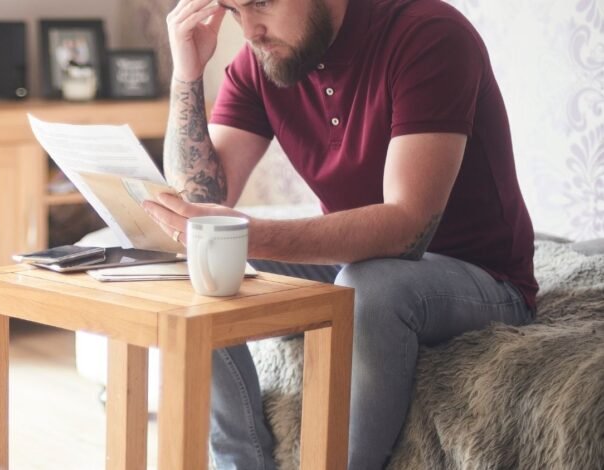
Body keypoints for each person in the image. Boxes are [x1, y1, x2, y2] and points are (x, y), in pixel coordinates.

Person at [143, 0, 539, 468]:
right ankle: (239, 460)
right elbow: (204, 191)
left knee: (368, 287)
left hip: (479, 276)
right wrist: (186, 74)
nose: (249, 29)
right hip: (354, 261)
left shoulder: (430, 34)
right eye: (234, 10)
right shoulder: (262, 59)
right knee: (197, 252)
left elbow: (408, 227)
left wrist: (249, 237)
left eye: (261, 4)